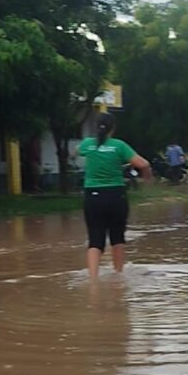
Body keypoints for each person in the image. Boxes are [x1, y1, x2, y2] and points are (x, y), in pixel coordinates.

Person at [77, 113, 151, 278]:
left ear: (97, 127)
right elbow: (143, 164)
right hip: (116, 196)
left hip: (93, 197)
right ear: (113, 128)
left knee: (95, 239)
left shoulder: (87, 144)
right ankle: (118, 276)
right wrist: (147, 176)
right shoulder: (119, 146)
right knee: (117, 237)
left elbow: (76, 152)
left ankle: (93, 280)